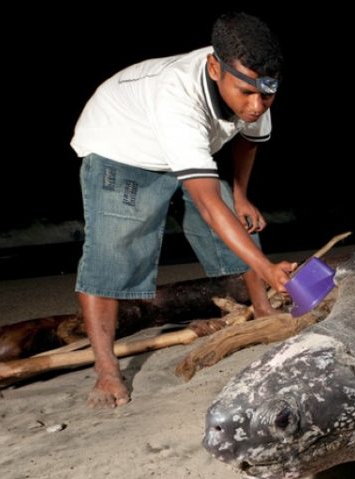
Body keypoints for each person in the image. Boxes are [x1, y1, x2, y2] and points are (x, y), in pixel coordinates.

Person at [70, 12, 295, 408]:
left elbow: (248, 141)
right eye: (247, 94)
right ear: (214, 68)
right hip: (120, 145)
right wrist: (266, 268)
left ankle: (262, 310)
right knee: (114, 253)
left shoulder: (255, 85)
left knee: (235, 214)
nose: (257, 106)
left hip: (178, 143)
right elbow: (207, 205)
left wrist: (241, 195)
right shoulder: (178, 98)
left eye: (267, 96)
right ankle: (106, 369)